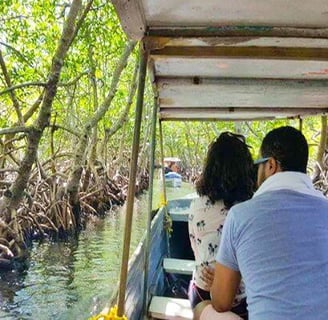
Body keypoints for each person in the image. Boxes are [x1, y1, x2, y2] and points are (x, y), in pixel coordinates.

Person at [196, 126, 328, 320]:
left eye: (259, 164)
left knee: (202, 308)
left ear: (271, 165)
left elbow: (221, 303)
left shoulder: (240, 215)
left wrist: (218, 282)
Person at [188, 131, 255, 319]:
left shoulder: (196, 206)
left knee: (196, 282)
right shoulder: (250, 210)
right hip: (242, 303)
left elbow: (196, 250)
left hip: (202, 294)